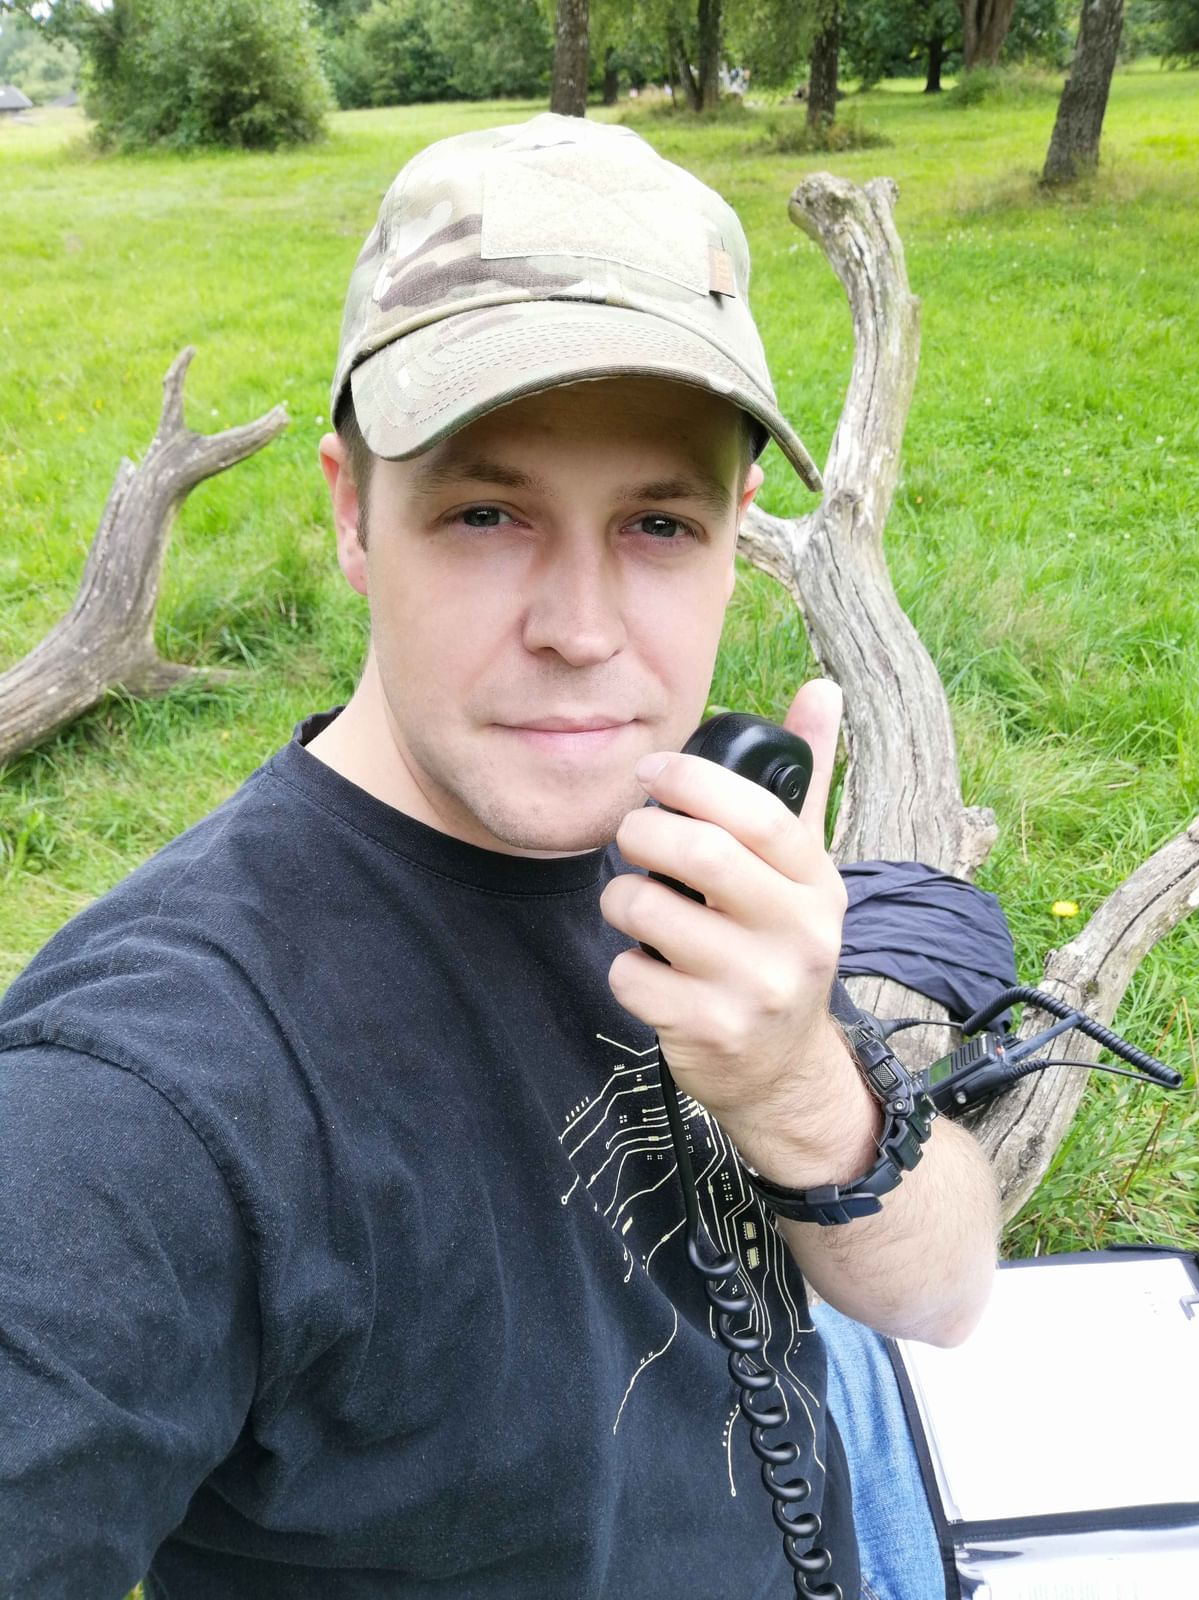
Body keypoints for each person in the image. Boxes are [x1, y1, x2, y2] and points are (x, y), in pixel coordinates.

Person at [0, 114, 999, 1600]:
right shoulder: (151, 1087)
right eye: (485, 513)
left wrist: (799, 1083)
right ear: (354, 513)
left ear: (739, 533)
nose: (582, 632)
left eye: (657, 524)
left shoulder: (698, 856)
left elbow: (948, 1294)